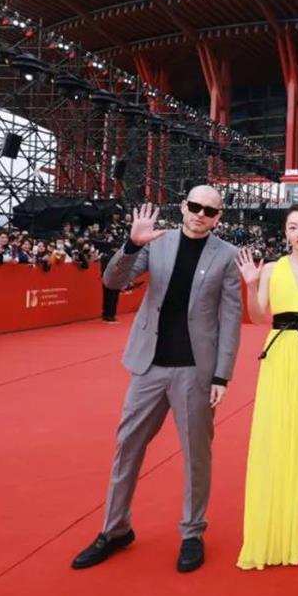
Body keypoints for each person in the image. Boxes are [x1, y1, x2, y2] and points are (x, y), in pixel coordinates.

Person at [71, 186, 242, 573]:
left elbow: (231, 319)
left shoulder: (227, 256)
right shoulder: (157, 242)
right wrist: (132, 245)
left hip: (195, 371)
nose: (200, 214)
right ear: (183, 207)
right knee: (127, 445)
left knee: (196, 455)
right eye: (195, 206)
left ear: (218, 217)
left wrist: (222, 374)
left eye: (209, 210)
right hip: (148, 365)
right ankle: (115, 529)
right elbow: (113, 281)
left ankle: (192, 532)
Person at [235, 203, 298, 570]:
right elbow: (258, 315)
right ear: (286, 232)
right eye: (293, 226)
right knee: (272, 439)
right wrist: (251, 285)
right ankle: (269, 533)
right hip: (277, 356)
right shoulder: (272, 269)